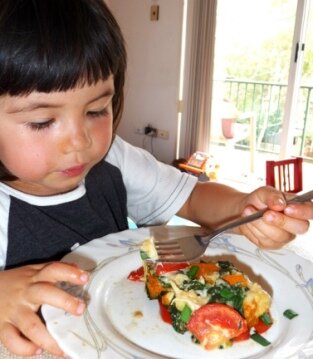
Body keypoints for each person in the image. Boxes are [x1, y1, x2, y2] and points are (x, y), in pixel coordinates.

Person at [0, 0, 312, 357]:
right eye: (41, 121)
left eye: (96, 110)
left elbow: (193, 198)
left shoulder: (114, 158)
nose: (79, 141)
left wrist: (243, 208)